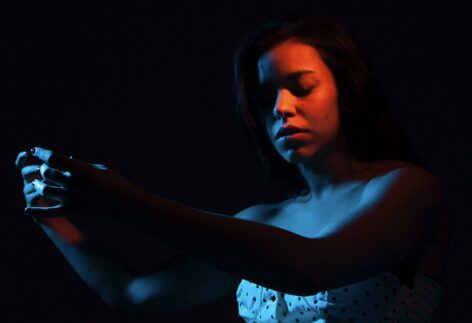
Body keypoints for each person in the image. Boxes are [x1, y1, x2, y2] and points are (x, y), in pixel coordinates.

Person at [15, 15, 449, 322]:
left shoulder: (406, 189)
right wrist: (52, 217)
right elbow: (133, 296)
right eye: (265, 99)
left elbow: (312, 267)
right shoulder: (259, 223)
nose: (281, 109)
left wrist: (123, 201)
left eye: (301, 87)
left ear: (347, 94)